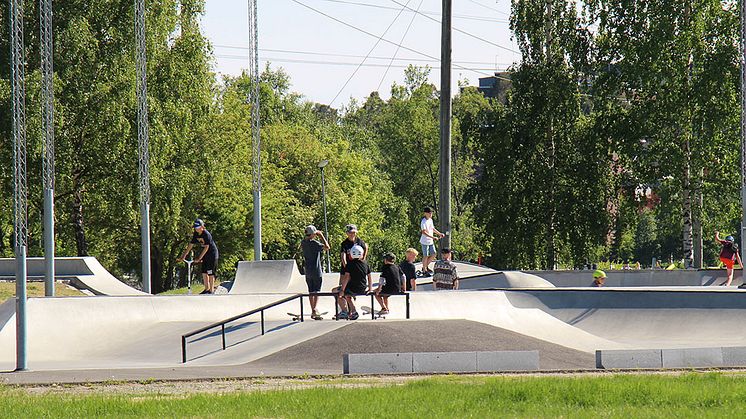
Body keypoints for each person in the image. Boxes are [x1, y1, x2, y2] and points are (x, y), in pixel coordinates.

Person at [177, 219, 219, 294]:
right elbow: (190, 245)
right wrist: (183, 256)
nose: (196, 229)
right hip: (205, 254)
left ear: (202, 227)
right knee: (204, 272)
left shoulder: (206, 234)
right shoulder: (196, 234)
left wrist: (199, 258)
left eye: (198, 227)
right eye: (195, 228)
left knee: (210, 272)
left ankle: (211, 290)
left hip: (212, 254)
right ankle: (206, 289)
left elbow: (207, 247)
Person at [300, 225, 330, 319]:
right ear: (313, 234)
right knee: (317, 291)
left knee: (310, 291)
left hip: (307, 271)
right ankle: (315, 309)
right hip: (316, 270)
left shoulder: (303, 242)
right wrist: (321, 236)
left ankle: (312, 309)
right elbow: (327, 247)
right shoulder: (315, 243)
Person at [337, 245, 371, 320]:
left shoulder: (349, 264)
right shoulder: (365, 264)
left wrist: (342, 289)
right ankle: (352, 311)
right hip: (362, 287)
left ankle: (345, 311)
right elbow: (369, 276)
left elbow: (346, 277)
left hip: (352, 288)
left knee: (338, 293)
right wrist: (370, 288)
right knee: (349, 296)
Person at [420, 207, 444, 276]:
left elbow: (432, 229)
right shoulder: (423, 221)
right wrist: (433, 237)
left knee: (434, 254)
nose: (431, 214)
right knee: (426, 255)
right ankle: (424, 270)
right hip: (425, 241)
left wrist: (439, 233)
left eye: (431, 213)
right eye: (429, 213)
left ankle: (425, 267)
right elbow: (424, 232)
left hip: (430, 241)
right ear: (425, 213)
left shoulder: (430, 220)